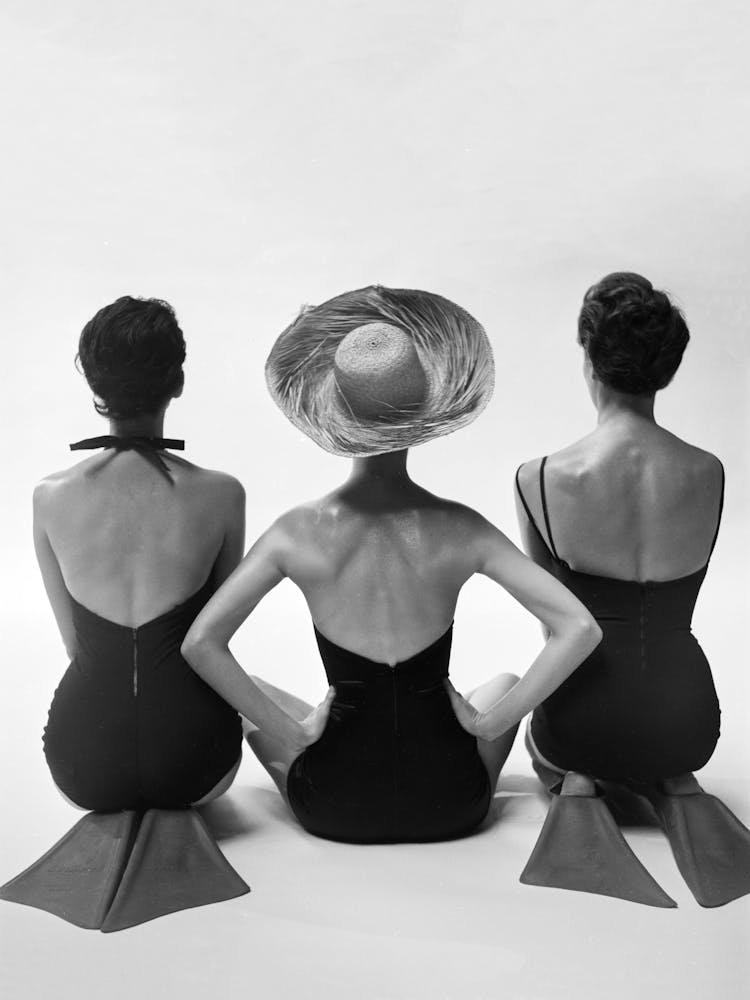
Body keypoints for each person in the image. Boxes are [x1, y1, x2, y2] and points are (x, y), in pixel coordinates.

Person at [182, 285, 601, 845]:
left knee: (250, 695)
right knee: (502, 683)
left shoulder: (294, 532)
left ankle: (317, 737)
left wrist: (300, 732)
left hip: (335, 807)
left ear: (336, 408)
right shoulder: (463, 528)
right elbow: (579, 627)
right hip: (452, 803)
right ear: (423, 410)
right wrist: (486, 723)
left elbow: (200, 644)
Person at [0, 296, 248, 932]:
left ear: (93, 387)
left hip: (84, 765)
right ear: (180, 381)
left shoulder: (49, 498)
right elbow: (212, 645)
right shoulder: (222, 494)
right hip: (199, 764)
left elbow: (73, 646)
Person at [515, 272, 750, 907]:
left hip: (581, 723)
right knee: (660, 742)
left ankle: (583, 782)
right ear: (665, 370)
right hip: (689, 722)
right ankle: (672, 783)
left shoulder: (538, 477)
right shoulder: (709, 471)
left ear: (589, 359)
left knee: (557, 749)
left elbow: (556, 626)